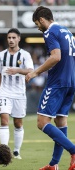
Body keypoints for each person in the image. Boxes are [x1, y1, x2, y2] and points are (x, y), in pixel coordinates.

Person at [25, 6, 75, 170]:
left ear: (41, 19)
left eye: (37, 24)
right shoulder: (66, 31)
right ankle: (54, 164)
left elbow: (56, 56)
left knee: (42, 122)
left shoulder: (50, 32)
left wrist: (35, 72)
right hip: (71, 81)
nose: (38, 27)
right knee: (61, 122)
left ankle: (74, 151)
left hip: (57, 82)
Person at [0, 28, 34, 159]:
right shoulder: (1, 55)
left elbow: (30, 70)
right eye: (9, 38)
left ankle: (16, 151)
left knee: (18, 123)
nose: (11, 40)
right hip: (5, 93)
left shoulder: (25, 55)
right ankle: (3, 152)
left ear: (19, 39)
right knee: (4, 121)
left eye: (13, 38)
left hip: (19, 94)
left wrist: (18, 70)